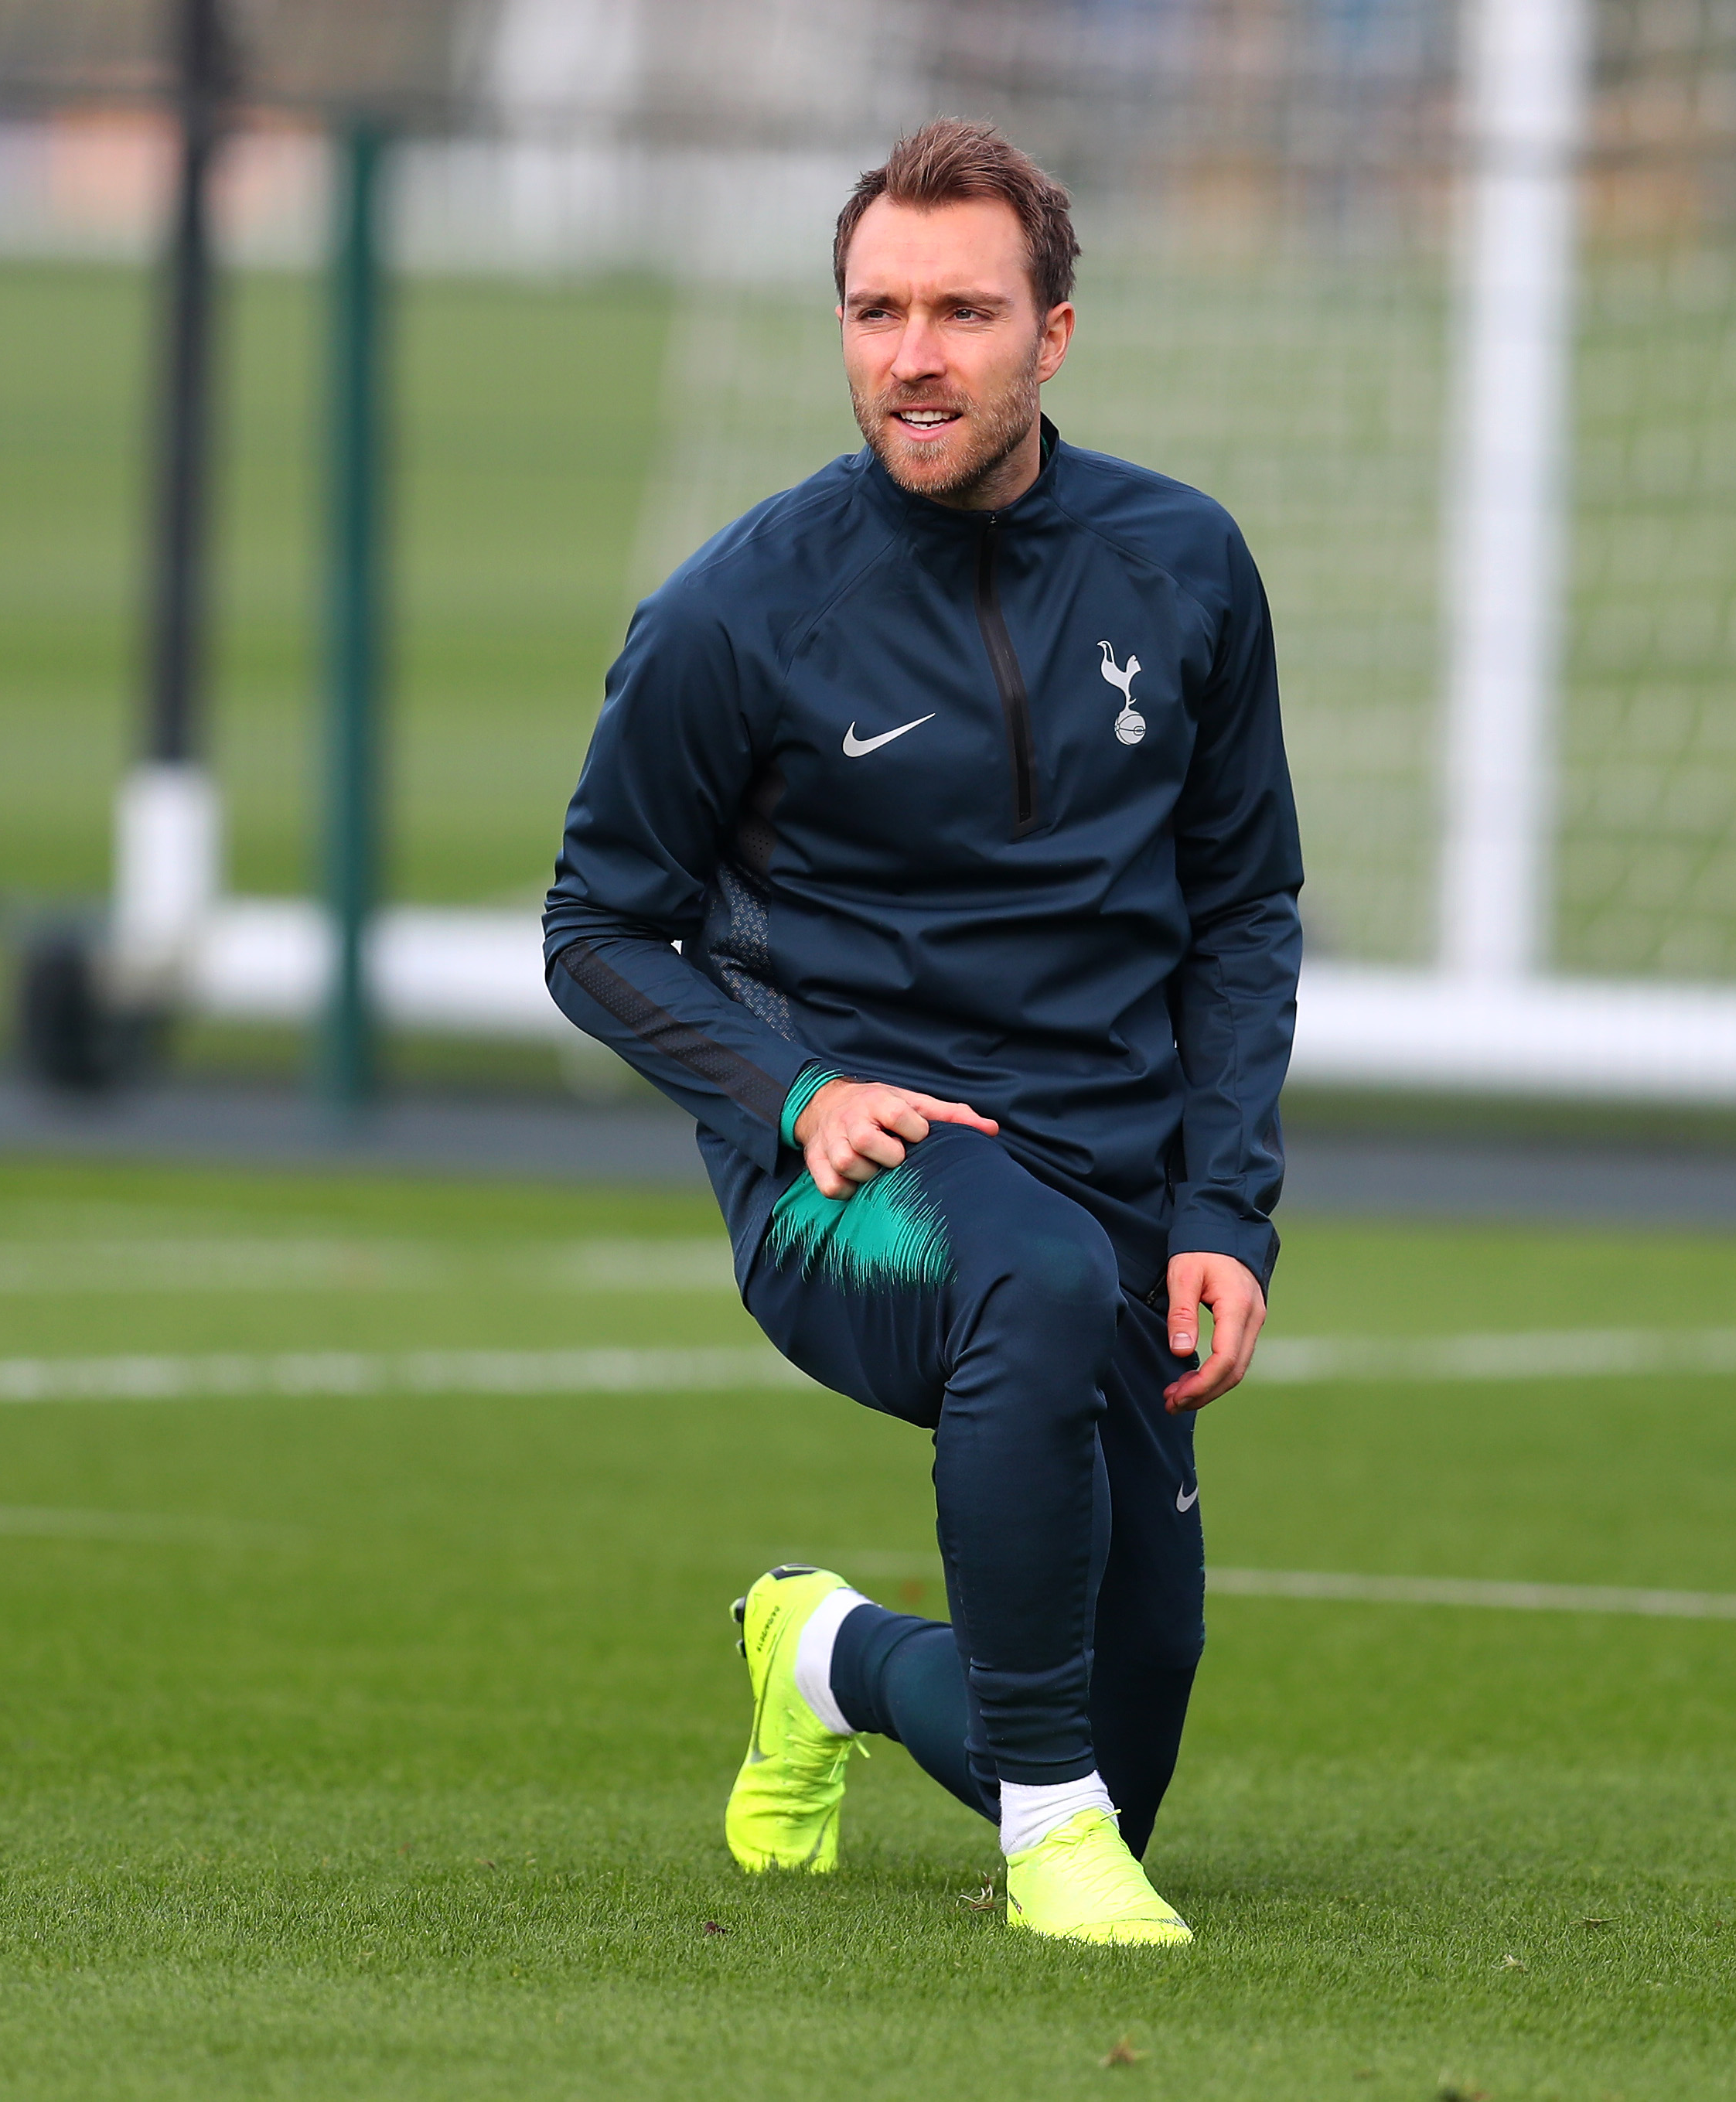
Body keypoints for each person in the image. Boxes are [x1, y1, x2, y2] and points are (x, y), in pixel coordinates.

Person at [543, 119, 1302, 1947]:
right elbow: (594, 929)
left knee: (1135, 1729)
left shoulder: (1186, 565)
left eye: (961, 309)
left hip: (1120, 1187)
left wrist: (1224, 1211)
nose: (912, 353)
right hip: (849, 1188)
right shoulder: (738, 610)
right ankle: (1046, 1845)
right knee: (1023, 1283)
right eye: (876, 309)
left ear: (1052, 333)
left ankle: (826, 1655)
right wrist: (787, 1089)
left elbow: (1245, 912)